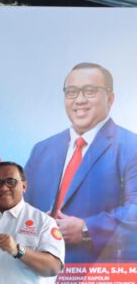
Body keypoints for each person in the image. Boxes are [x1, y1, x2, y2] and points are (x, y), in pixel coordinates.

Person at [24, 62, 137, 263]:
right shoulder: (42, 150)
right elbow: (22, 208)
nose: (80, 100)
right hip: (41, 270)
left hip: (100, 274)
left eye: (90, 91)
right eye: (72, 92)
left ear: (110, 98)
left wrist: (87, 229)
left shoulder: (131, 146)